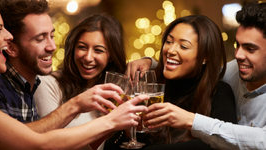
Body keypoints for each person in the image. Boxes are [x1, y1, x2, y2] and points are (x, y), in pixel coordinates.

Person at [0, 4, 149, 149]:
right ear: (11, 48)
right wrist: (84, 108)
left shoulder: (31, 83)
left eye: (52, 36)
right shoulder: (0, 86)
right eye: (40, 38)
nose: (53, 47)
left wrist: (149, 61)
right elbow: (37, 143)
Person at [140, 1, 266, 149]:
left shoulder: (220, 92)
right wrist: (149, 63)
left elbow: (262, 141)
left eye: (250, 49)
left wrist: (190, 120)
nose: (238, 55)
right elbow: (203, 71)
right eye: (237, 45)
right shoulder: (234, 70)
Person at [104, 15, 237, 150]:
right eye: (168, 41)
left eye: (183, 46)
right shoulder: (149, 86)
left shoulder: (218, 93)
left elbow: (223, 145)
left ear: (205, 57)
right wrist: (128, 132)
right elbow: (111, 146)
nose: (170, 50)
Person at [34, 13, 127, 128]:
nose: (88, 58)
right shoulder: (48, 84)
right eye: (82, 47)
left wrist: (148, 61)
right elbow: (48, 140)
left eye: (98, 50)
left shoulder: (116, 89)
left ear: (111, 56)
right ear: (73, 49)